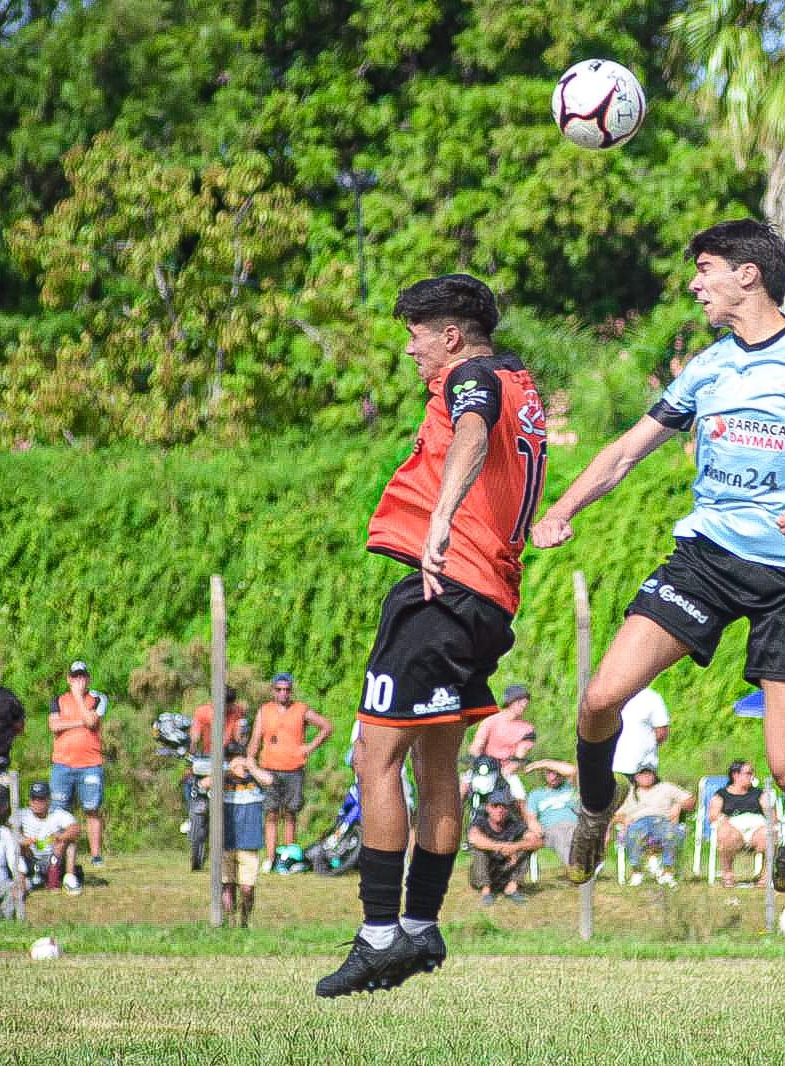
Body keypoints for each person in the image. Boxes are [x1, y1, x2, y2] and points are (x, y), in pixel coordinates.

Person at [532, 219, 785, 892]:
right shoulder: (710, 367)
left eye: (705, 268)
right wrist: (561, 510)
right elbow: (623, 452)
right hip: (705, 561)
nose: (695, 284)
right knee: (599, 699)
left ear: (747, 274)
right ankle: (594, 803)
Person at [318, 274, 548, 998]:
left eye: (417, 335)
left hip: (442, 590)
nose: (412, 349)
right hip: (489, 600)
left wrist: (441, 521)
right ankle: (420, 928)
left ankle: (379, 934)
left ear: (450, 335)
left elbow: (472, 433)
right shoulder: (520, 379)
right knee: (435, 765)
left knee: (372, 757)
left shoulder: (473, 378)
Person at [248, 672, 333, 872]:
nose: (283, 693)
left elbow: (327, 727)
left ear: (291, 691)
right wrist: (250, 760)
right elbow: (255, 738)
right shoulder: (264, 711)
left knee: (290, 813)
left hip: (293, 769)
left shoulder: (301, 709)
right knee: (270, 813)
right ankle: (270, 858)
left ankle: (288, 857)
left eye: (286, 689)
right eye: (279, 689)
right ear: (273, 691)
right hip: (269, 769)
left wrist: (309, 747)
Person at [203, 742, 275, 927]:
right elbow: (203, 784)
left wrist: (251, 766)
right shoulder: (222, 779)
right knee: (227, 886)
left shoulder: (254, 780)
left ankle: (244, 921)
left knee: (247, 888)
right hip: (225, 842)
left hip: (249, 842)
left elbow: (269, 780)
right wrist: (226, 770)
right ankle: (230, 922)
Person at [48, 661, 108, 867]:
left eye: (82, 676)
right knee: (58, 810)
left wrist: (78, 698)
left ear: (88, 679)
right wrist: (80, 721)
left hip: (90, 763)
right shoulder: (58, 700)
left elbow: (92, 722)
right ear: (69, 679)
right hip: (62, 764)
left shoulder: (98, 698)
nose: (79, 680)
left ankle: (96, 855)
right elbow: (54, 726)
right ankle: (58, 853)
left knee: (91, 808)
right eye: (75, 677)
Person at [616, 764, 696, 886]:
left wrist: (679, 806)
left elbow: (691, 800)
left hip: (661, 820)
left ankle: (667, 871)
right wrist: (624, 819)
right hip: (638, 821)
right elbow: (618, 814)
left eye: (649, 774)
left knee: (670, 834)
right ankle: (637, 871)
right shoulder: (632, 793)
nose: (645, 777)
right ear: (636, 777)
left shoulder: (666, 787)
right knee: (632, 833)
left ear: (654, 775)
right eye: (642, 774)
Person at [467, 786, 542, 904]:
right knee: (478, 850)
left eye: (503, 806)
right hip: (484, 871)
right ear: (488, 808)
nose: (499, 810)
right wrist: (501, 847)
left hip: (506, 871)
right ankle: (486, 891)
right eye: (495, 806)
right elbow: (473, 838)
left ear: (508, 809)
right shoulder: (481, 821)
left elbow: (537, 841)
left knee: (527, 848)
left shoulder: (514, 823)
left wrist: (515, 847)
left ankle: (511, 889)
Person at [709, 759, 773, 887]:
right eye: (748, 773)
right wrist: (723, 819)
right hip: (734, 830)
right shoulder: (722, 794)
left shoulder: (759, 794)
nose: (752, 776)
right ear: (736, 775)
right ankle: (727, 875)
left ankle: (766, 876)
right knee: (724, 831)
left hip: (756, 830)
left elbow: (772, 816)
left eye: (752, 773)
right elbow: (713, 815)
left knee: (769, 833)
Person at [10, 780, 81, 895]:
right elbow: (9, 832)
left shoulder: (58, 813)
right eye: (34, 799)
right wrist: (24, 841)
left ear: (49, 800)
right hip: (30, 857)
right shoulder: (22, 814)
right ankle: (28, 877)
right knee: (17, 846)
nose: (37, 803)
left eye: (41, 799)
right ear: (29, 800)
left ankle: (68, 878)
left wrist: (61, 836)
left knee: (70, 842)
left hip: (53, 856)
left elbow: (76, 828)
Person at [469, 683, 539, 786]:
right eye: (520, 701)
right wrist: (478, 762)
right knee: (461, 787)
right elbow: (477, 745)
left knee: (520, 798)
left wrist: (505, 772)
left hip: (506, 772)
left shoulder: (528, 730)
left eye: (526, 701)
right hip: (484, 767)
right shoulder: (490, 720)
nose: (524, 704)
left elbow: (519, 757)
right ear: (510, 701)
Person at [523, 759, 579, 865]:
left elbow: (573, 771)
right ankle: (575, 867)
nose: (553, 777)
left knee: (573, 834)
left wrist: (543, 763)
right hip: (551, 829)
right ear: (545, 774)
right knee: (561, 835)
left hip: (575, 826)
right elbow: (531, 818)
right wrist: (534, 826)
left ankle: (579, 867)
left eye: (557, 773)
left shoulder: (571, 788)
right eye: (550, 773)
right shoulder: (536, 794)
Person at [611, 687, 670, 781]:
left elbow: (661, 733)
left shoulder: (651, 698)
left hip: (642, 769)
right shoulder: (609, 696)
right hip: (612, 767)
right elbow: (661, 733)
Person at [190, 687, 248, 753]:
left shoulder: (237, 710)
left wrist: (241, 743)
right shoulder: (203, 712)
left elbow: (242, 736)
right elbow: (195, 734)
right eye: (227, 706)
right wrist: (194, 744)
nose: (230, 708)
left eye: (232, 705)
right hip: (209, 755)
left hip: (231, 754)